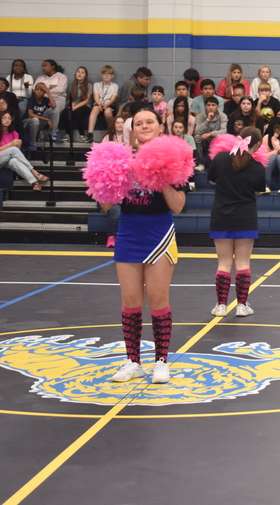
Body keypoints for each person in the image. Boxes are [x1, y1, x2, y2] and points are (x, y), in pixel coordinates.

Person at [101, 106, 187, 384]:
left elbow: (178, 206)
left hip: (159, 235)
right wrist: (108, 177)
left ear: (161, 127)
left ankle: (161, 361)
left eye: (150, 121)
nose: (145, 126)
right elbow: (105, 205)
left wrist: (160, 178)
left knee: (159, 301)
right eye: (139, 123)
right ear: (132, 130)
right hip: (128, 234)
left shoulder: (176, 158)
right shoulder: (122, 160)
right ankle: (133, 362)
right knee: (130, 302)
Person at [208, 127, 265, 317]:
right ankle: (242, 305)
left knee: (223, 263)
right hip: (245, 218)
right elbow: (257, 191)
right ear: (257, 145)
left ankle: (221, 306)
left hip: (221, 216)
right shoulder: (258, 167)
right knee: (243, 262)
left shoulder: (220, 159)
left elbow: (212, 182)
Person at [0, 111, 48, 191]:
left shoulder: (14, 133)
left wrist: (18, 145)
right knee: (13, 149)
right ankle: (34, 172)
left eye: (9, 118)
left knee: (14, 161)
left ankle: (34, 182)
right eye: (4, 118)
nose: (7, 120)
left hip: (7, 159)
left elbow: (17, 153)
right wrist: (11, 144)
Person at [88, 66, 118, 141]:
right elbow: (96, 97)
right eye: (104, 74)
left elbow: (113, 99)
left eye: (109, 74)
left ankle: (111, 131)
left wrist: (106, 105)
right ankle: (90, 134)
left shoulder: (115, 86)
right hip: (99, 103)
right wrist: (100, 104)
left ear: (112, 76)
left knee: (108, 112)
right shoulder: (96, 85)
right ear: (101, 75)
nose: (106, 76)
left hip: (109, 104)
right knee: (95, 109)